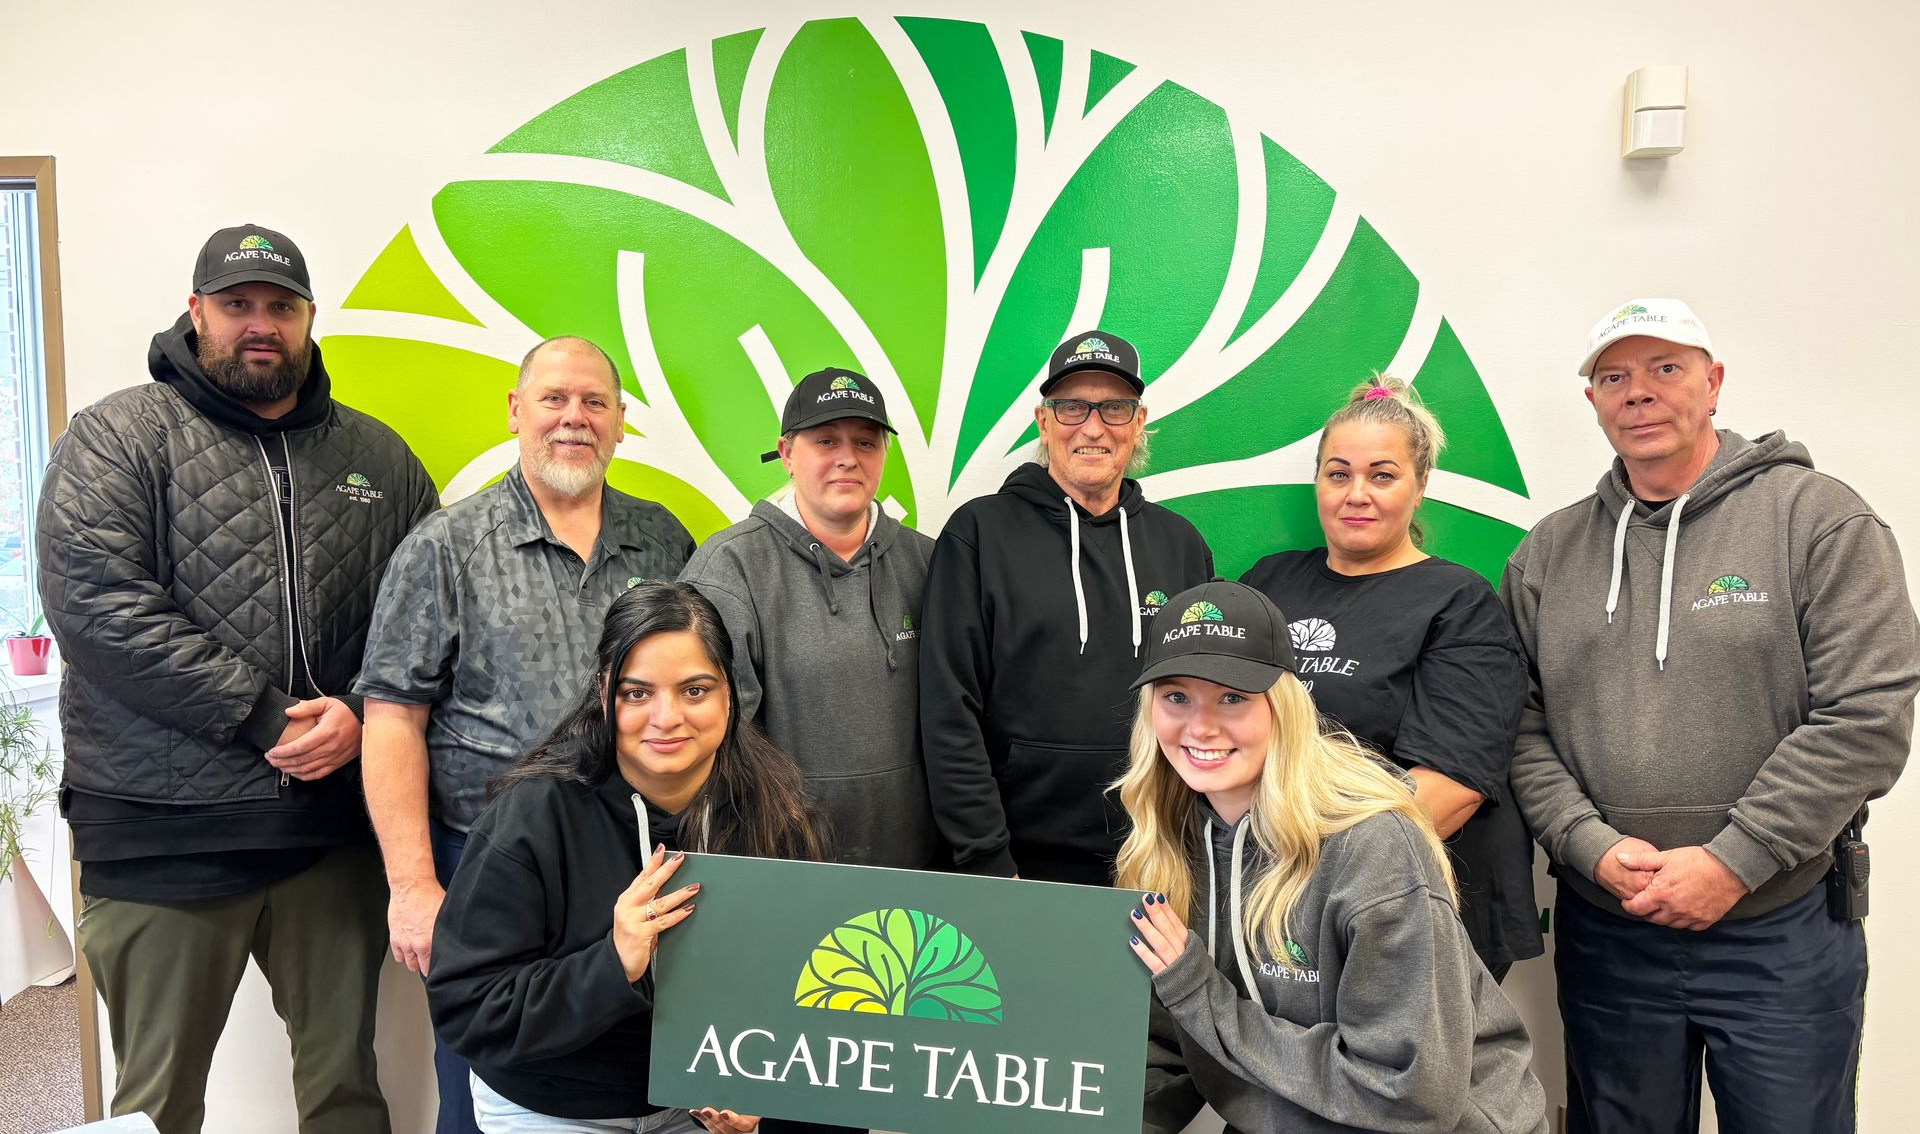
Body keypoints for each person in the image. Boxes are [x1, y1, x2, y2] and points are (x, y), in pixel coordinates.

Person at [37, 224, 438, 1132]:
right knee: (155, 1108)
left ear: (307, 319)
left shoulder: (379, 458)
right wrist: (265, 717)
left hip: (329, 839)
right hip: (159, 835)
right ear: (195, 311)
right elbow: (97, 605)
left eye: (281, 306)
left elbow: (423, 618)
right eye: (237, 304)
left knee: (345, 1094)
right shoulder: (116, 437)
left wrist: (364, 715)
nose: (261, 325)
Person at [1503, 298, 1920, 1133]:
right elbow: (1517, 727)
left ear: (1714, 382)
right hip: (1610, 928)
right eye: (1614, 376)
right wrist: (1591, 845)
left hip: (1781, 931)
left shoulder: (1817, 519)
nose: (1640, 393)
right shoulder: (1548, 553)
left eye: (1666, 368)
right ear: (1592, 402)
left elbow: (1868, 714)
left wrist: (1735, 860)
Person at [357, 336, 695, 1133]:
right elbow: (392, 718)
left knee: (620, 1084)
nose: (574, 418)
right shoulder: (447, 546)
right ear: (516, 412)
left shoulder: (664, 541)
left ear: (620, 424)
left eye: (594, 403)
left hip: (635, 868)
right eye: (554, 398)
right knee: (482, 1085)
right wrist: (412, 887)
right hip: (487, 871)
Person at [1117, 580, 1546, 1134]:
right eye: (1176, 696)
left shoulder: (1371, 845)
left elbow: (1411, 1098)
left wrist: (1198, 991)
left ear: (1284, 707)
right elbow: (1172, 1041)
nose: (1200, 726)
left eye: (1233, 697)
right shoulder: (1170, 842)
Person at [426, 582, 828, 1132]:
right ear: (603, 691)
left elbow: (805, 995)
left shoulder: (777, 812)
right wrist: (612, 962)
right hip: (554, 1101)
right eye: (637, 693)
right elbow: (467, 1009)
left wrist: (762, 1090)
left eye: (694, 690)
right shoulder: (534, 814)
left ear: (730, 694)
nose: (666, 718)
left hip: (696, 1105)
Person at [1240, 375, 1539, 978]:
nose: (1357, 494)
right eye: (1338, 473)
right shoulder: (1267, 584)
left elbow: (1449, 789)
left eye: (1382, 475)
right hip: (1277, 895)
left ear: (1419, 486)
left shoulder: (1459, 603)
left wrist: (1316, 881)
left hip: (1408, 903)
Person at [920, 330, 1213, 884]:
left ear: (1139, 421)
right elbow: (947, 707)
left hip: (1158, 854)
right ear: (1044, 421)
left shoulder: (1181, 546)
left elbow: (1203, 703)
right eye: (1073, 407)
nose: (1094, 426)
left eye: (1115, 408)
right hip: (1016, 861)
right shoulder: (980, 533)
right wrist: (985, 855)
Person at [679, 367, 938, 867]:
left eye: (866, 442)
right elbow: (711, 741)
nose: (847, 458)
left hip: (917, 861)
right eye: (825, 441)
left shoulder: (930, 563)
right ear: (787, 454)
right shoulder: (729, 569)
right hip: (786, 864)